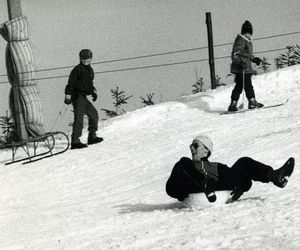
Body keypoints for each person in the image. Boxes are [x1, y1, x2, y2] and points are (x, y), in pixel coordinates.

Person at [166, 134, 295, 203]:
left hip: (215, 188)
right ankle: (205, 185)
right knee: (183, 162)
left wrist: (241, 188)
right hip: (195, 187)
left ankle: (275, 176)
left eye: (195, 145)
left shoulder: (217, 166)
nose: (192, 148)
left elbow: (241, 179)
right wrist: (179, 193)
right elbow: (170, 188)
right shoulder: (186, 166)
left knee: (243, 162)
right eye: (191, 146)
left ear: (206, 149)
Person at [64, 49, 103, 149]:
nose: (85, 61)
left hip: (83, 97)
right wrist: (68, 96)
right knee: (79, 118)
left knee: (94, 114)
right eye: (83, 59)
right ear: (80, 59)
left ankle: (92, 136)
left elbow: (89, 84)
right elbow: (71, 83)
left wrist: (93, 92)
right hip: (77, 96)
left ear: (91, 59)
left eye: (87, 59)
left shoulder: (90, 70)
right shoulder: (77, 69)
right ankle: (75, 141)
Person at [228, 20, 264, 112]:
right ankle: (252, 102)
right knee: (248, 85)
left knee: (239, 86)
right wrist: (240, 62)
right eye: (246, 33)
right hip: (242, 68)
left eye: (249, 33)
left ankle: (233, 103)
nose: (248, 35)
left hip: (244, 67)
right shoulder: (240, 40)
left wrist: (254, 59)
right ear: (243, 32)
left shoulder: (247, 41)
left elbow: (247, 55)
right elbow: (235, 54)